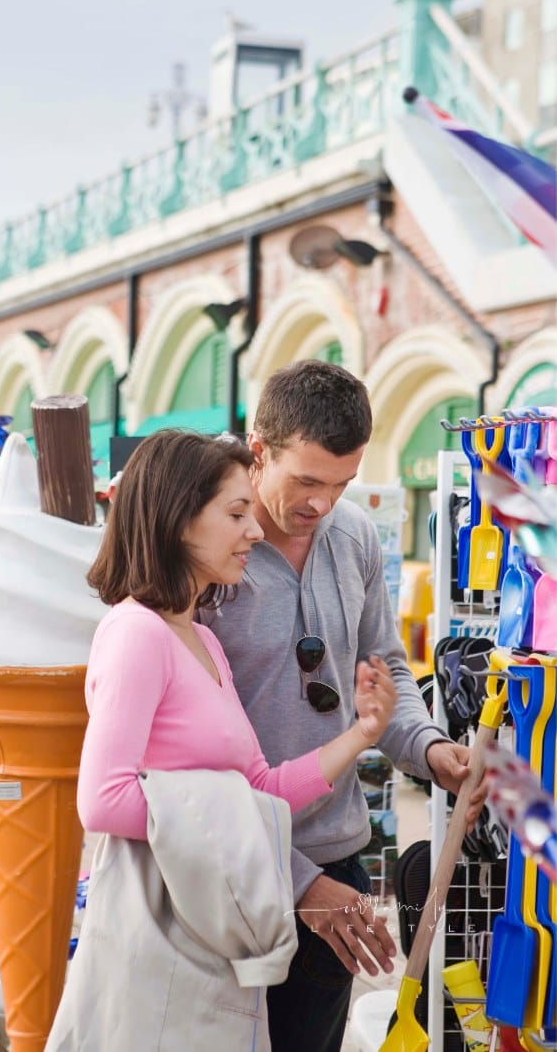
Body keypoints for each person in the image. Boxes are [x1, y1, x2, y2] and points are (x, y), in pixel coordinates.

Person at [49, 429, 396, 1050]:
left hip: (213, 927)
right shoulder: (136, 633)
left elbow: (259, 790)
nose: (254, 531)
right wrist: (238, 824)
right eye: (236, 514)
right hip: (165, 931)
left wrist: (363, 734)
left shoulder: (201, 639)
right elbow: (102, 801)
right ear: (178, 519)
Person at [205, 360, 477, 1052]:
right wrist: (297, 883)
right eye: (306, 481)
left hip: (340, 865)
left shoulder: (353, 533)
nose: (322, 504)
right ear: (258, 450)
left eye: (342, 483)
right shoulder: (209, 546)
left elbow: (382, 665)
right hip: (228, 870)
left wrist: (427, 748)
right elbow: (182, 757)